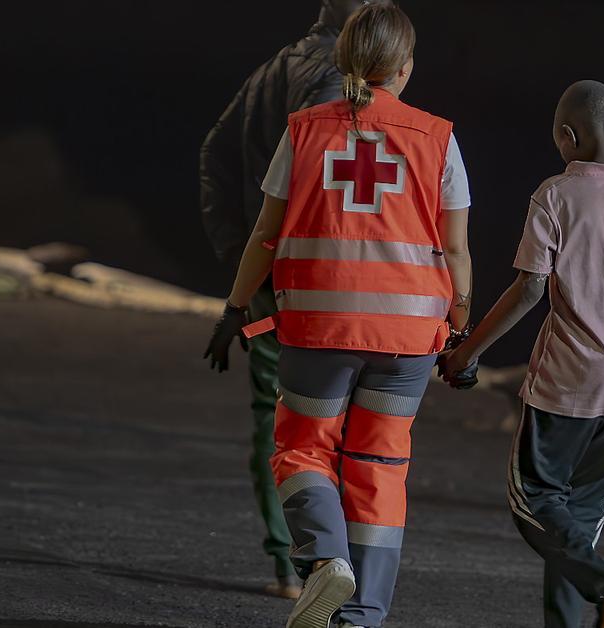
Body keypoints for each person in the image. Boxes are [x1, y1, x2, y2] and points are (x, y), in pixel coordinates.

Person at [203, 5, 474, 626]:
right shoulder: (439, 138)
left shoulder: (304, 131)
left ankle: (325, 559)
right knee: (380, 468)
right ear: (405, 67)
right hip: (407, 337)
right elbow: (456, 249)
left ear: (344, 60)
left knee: (303, 450)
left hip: (318, 329)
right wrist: (461, 331)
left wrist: (235, 309)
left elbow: (265, 234)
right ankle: (362, 618)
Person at [441, 80, 604, 628]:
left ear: (566, 136)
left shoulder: (555, 195)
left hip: (569, 378)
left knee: (535, 503)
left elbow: (529, 290)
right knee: (575, 529)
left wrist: (465, 352)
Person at [199, 0, 388, 599]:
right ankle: (326, 560)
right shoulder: (338, 81)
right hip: (319, 284)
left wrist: (240, 257)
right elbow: (332, 188)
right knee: (337, 422)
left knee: (275, 417)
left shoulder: (271, 69)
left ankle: (288, 561)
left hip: (268, 279)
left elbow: (214, 155)